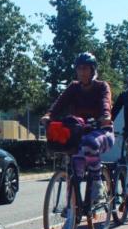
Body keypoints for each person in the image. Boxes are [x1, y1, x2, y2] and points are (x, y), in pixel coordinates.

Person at [42, 52, 114, 204]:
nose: (82, 72)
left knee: (90, 143)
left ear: (93, 70)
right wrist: (49, 115)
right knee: (74, 168)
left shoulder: (101, 86)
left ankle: (97, 183)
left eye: (85, 68)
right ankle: (72, 207)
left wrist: (105, 116)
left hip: (102, 131)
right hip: (79, 133)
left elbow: (105, 102)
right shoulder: (74, 87)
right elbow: (59, 104)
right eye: (79, 68)